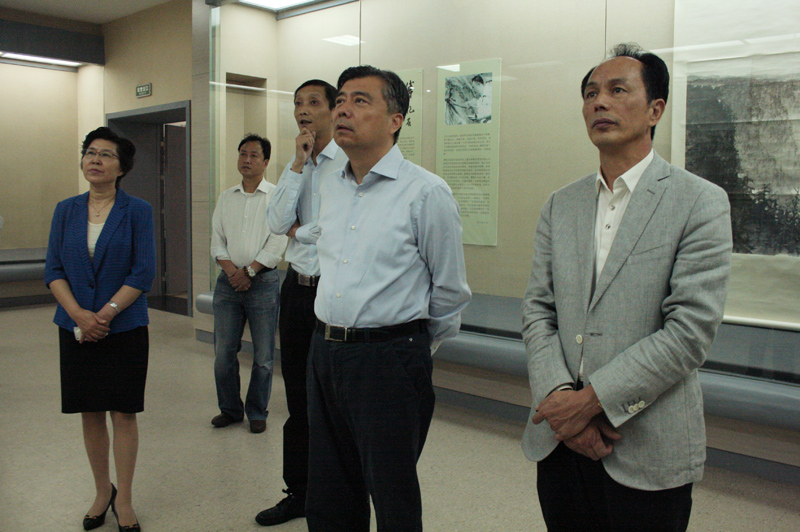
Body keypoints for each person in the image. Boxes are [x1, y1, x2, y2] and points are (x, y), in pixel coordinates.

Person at [521, 43, 733, 532]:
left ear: (655, 110)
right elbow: (537, 310)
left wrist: (590, 402)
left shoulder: (698, 201)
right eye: (591, 93)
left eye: (618, 90)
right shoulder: (561, 204)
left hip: (646, 443)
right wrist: (562, 401)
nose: (600, 102)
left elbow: (689, 331)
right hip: (560, 440)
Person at [306, 65, 471, 532]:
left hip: (389, 359)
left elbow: (450, 290)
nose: (343, 109)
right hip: (325, 351)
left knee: (392, 493)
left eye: (360, 101)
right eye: (340, 100)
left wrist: (407, 345)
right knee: (330, 491)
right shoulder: (330, 184)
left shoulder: (425, 192)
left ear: (395, 120)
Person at [45, 126, 156, 532]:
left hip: (124, 327)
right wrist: (79, 314)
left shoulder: (137, 210)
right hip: (74, 326)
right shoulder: (66, 210)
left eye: (106, 154)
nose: (95, 159)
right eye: (90, 152)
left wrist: (104, 314)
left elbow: (142, 272)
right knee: (90, 411)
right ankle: (101, 491)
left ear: (121, 168)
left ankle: (124, 499)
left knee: (123, 413)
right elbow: (54, 269)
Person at [258, 79, 347, 526]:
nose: (303, 110)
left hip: (334, 291)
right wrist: (296, 163)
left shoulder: (348, 164)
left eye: (313, 102)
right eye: (298, 103)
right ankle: (299, 492)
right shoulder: (301, 164)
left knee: (333, 402)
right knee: (297, 398)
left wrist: (301, 230)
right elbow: (276, 222)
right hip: (296, 289)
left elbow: (337, 228)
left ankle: (337, 496)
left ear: (334, 109)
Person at [210, 133, 288, 434]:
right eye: (243, 153)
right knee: (223, 354)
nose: (247, 160)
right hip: (227, 284)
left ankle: (257, 411)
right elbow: (217, 240)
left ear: (265, 162)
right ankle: (230, 409)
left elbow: (277, 242)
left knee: (264, 356)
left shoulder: (276, 197)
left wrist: (250, 272)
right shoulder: (226, 196)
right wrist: (233, 272)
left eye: (254, 155)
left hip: (263, 283)